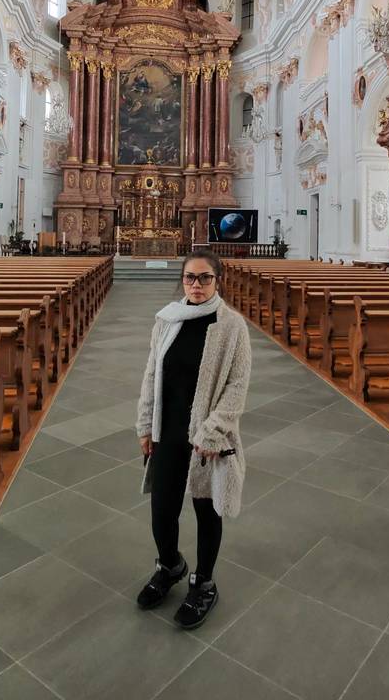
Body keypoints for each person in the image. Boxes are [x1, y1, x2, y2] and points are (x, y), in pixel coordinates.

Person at [135, 248, 251, 629]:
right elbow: (152, 373)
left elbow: (237, 386)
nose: (197, 284)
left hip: (207, 436)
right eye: (190, 278)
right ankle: (170, 565)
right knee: (162, 509)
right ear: (182, 280)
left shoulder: (232, 326)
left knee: (206, 509)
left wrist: (213, 430)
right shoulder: (166, 320)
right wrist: (144, 425)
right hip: (167, 430)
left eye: (205, 278)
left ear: (218, 281)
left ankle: (203, 581)